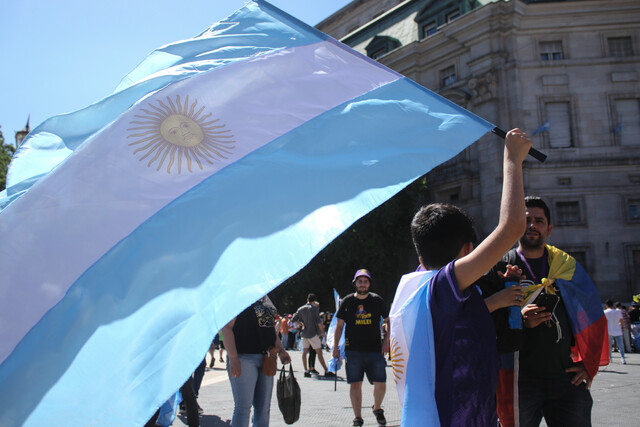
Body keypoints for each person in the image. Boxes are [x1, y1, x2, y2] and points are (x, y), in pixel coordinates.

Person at [388, 128, 531, 426]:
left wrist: (497, 299)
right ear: (468, 250)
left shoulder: (415, 287)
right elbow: (513, 227)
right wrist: (512, 160)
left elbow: (459, 321)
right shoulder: (443, 286)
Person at [478, 196, 608, 427]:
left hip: (565, 377)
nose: (532, 226)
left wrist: (588, 364)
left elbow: (592, 316)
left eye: (538, 221)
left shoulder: (566, 266)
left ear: (549, 228)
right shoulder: (500, 266)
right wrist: (519, 318)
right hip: (519, 379)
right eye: (526, 220)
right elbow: (483, 320)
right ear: (517, 226)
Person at [221, 296, 291, 427]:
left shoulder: (266, 300)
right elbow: (226, 328)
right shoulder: (238, 298)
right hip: (243, 357)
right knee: (243, 408)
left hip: (266, 357)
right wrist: (233, 358)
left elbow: (271, 332)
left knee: (264, 408)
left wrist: (281, 350)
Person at [333, 269, 390, 427]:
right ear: (355, 283)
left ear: (369, 283)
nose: (363, 284)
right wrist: (335, 347)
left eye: (366, 281)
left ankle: (377, 408)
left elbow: (388, 320)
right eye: (360, 281)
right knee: (355, 384)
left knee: (381, 384)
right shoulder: (347, 301)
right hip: (353, 350)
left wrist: (387, 341)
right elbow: (339, 326)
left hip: (375, 349)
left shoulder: (376, 300)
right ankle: (357, 418)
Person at [293, 293, 332, 378]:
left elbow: (294, 319)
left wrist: (301, 324)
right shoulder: (314, 309)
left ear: (307, 299)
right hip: (313, 333)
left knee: (305, 352)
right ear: (314, 301)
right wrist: (323, 333)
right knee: (319, 352)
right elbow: (318, 322)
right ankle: (326, 370)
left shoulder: (301, 308)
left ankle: (306, 370)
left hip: (304, 334)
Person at [605, 300, 626, 364]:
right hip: (617, 329)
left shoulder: (605, 312)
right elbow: (621, 321)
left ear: (606, 305)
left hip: (609, 330)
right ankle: (622, 358)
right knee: (620, 345)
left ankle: (610, 358)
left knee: (609, 346)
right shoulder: (617, 312)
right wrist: (621, 326)